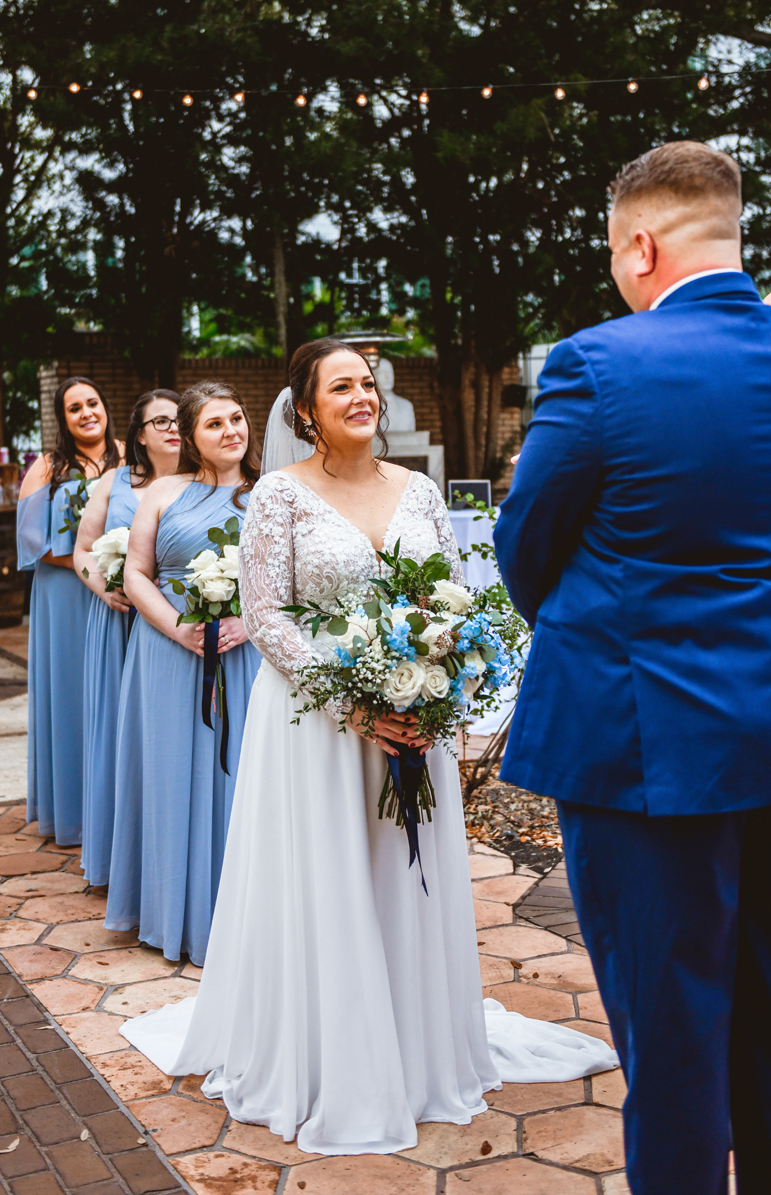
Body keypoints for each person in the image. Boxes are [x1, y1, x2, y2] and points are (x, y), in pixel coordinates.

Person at [118, 339, 615, 1156]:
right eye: (340, 385)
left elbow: (452, 596)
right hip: (317, 725)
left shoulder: (418, 491)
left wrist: (434, 683)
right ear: (305, 409)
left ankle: (417, 1041)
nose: (361, 396)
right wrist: (352, 701)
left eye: (367, 383)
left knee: (403, 875)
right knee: (331, 877)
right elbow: (267, 612)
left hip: (412, 719)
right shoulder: (278, 495)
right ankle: (335, 1048)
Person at [494, 141, 771, 1194]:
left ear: (641, 244)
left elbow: (526, 546)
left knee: (670, 1033)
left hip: (645, 748)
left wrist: (599, 626)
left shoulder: (600, 362)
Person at [106, 382, 261, 963]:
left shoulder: (270, 493)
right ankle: (173, 911)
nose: (232, 431)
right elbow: (136, 574)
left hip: (247, 653)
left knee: (241, 774)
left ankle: (241, 912)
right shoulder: (165, 490)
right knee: (170, 770)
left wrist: (248, 621)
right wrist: (180, 628)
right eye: (216, 424)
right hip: (168, 654)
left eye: (238, 419)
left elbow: (291, 577)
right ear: (192, 437)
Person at [75, 389, 184, 888]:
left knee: (162, 742)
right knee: (117, 737)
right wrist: (107, 588)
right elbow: (82, 550)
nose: (171, 428)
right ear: (139, 435)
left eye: (179, 419)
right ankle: (115, 860)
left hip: (176, 626)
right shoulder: (114, 483)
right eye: (159, 422)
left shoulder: (202, 483)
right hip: (118, 620)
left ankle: (162, 852)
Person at [18, 376, 122, 846]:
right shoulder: (48, 466)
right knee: (71, 694)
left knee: (116, 694)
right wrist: (95, 562)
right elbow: (32, 543)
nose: (86, 413)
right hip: (64, 593)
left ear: (105, 406)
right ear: (62, 419)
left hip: (120, 592)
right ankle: (74, 814)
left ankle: (119, 811)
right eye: (74, 408)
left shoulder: (128, 456)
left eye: (92, 403)